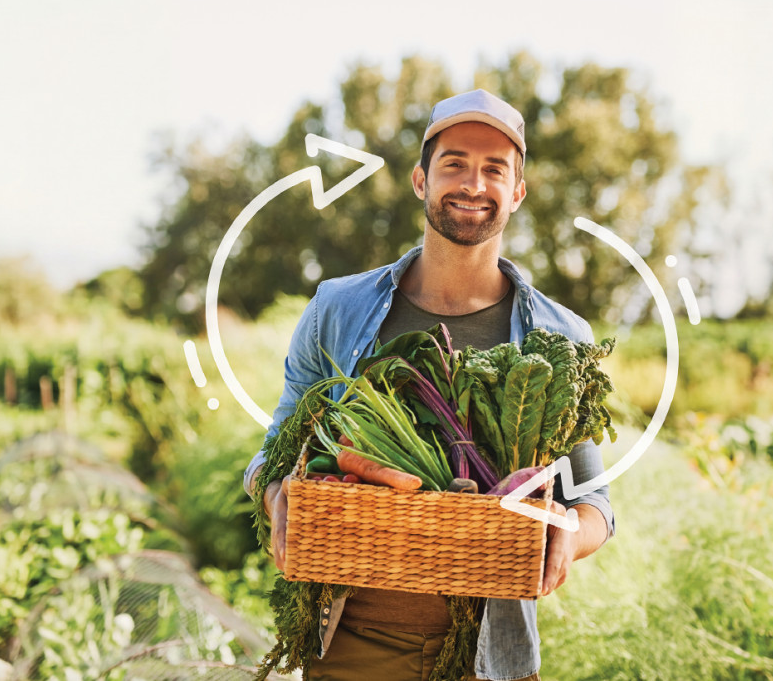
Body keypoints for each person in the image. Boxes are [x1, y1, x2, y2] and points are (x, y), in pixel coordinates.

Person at [244, 89, 615, 681]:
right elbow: (274, 452)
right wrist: (277, 496)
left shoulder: (560, 335)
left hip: (490, 654)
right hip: (352, 642)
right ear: (421, 180)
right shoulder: (338, 309)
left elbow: (594, 504)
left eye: (495, 169)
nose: (473, 183)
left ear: (517, 192)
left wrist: (565, 539)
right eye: (454, 164)